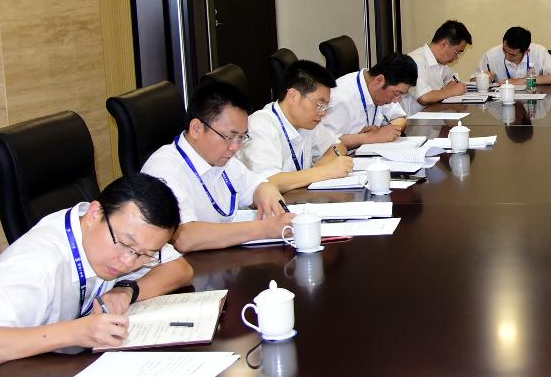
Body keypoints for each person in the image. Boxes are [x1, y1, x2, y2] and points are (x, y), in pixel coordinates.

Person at [0, 174, 194, 377]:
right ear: (95, 214)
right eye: (126, 245)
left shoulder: (118, 237)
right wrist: (77, 332)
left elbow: (181, 269)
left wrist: (127, 289)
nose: (128, 262)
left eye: (145, 255)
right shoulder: (37, 262)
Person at [141, 79, 290, 251]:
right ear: (196, 128)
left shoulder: (221, 158)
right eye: (229, 136)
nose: (235, 147)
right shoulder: (164, 169)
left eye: (241, 137)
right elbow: (184, 237)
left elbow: (256, 185)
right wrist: (264, 229)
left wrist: (266, 191)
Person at [241, 60, 355, 192]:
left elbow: (338, 146)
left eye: (325, 106)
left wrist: (321, 168)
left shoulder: (307, 122)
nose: (323, 113)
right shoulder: (260, 125)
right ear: (292, 96)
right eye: (319, 104)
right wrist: (323, 172)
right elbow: (267, 182)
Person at [323, 53, 418, 150]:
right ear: (379, 81)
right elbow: (325, 143)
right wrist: (371, 137)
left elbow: (401, 118)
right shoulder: (341, 97)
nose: (395, 101)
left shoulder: (377, 87)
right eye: (396, 93)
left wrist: (384, 131)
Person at [409, 20, 472, 106]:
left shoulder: (441, 63)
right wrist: (451, 91)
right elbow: (424, 97)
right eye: (457, 52)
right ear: (445, 44)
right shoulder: (415, 60)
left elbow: (451, 83)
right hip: (415, 114)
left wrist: (450, 89)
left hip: (433, 111)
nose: (456, 57)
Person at [477, 26, 551, 85]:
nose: (507, 56)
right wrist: (484, 79)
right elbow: (473, 81)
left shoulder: (539, 52)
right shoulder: (490, 55)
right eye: (504, 50)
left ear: (526, 51)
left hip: (533, 101)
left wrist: (523, 81)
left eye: (512, 55)